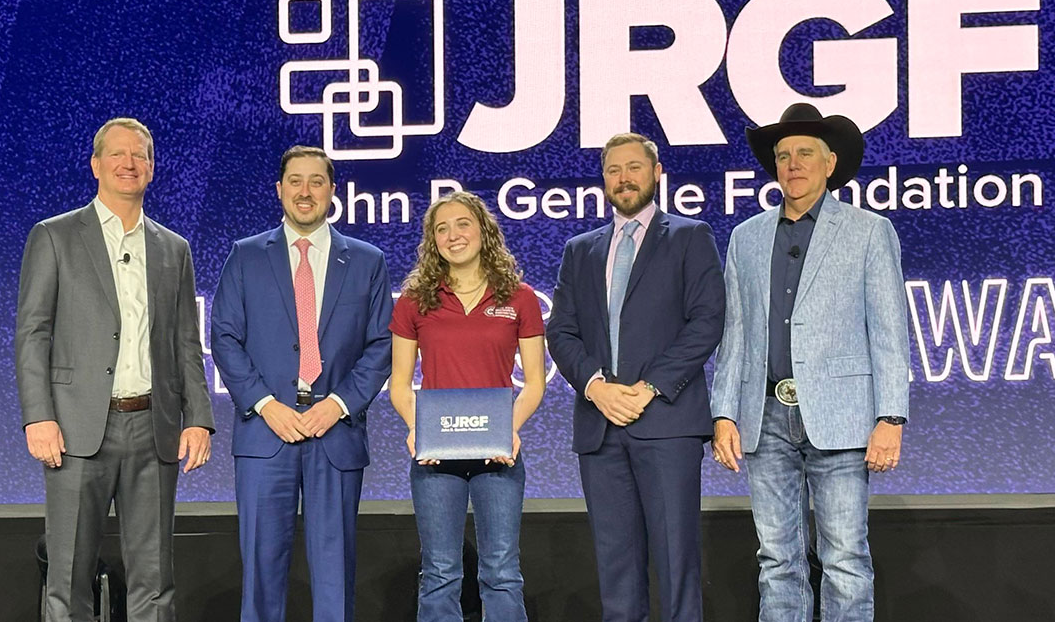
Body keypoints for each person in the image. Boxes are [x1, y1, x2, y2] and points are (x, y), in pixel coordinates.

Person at [710, 103, 909, 621]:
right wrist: (724, 411)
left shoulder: (869, 230)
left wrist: (890, 417)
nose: (792, 164)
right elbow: (737, 334)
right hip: (765, 416)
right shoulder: (746, 237)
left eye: (804, 153)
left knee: (844, 557)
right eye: (782, 156)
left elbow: (889, 330)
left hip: (842, 416)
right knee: (777, 559)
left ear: (829, 163)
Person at [15, 117, 215, 621]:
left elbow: (186, 343)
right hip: (78, 428)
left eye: (140, 155)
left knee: (155, 579)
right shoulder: (54, 236)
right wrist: (38, 415)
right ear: (96, 164)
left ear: (151, 168)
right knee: (69, 576)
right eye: (119, 154)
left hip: (154, 427)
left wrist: (198, 417)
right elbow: (33, 333)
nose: (130, 163)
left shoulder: (174, 248)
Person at [546, 133, 725, 621]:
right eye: (613, 170)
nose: (623, 179)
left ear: (657, 173)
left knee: (676, 560)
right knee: (616, 566)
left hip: (666, 422)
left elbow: (707, 321)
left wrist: (646, 389)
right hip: (600, 428)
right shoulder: (579, 250)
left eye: (634, 168)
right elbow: (560, 331)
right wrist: (597, 388)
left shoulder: (690, 236)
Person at [210, 145, 393, 622]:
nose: (305, 191)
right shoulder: (246, 256)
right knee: (262, 569)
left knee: (335, 570)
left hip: (334, 431)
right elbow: (225, 338)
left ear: (332, 191)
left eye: (316, 181)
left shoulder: (367, 261)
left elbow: (382, 345)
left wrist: (337, 404)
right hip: (266, 431)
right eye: (295, 180)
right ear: (279, 190)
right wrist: (266, 404)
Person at [389, 190, 546, 622]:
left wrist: (508, 429)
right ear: (432, 240)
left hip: (500, 454)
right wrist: (416, 427)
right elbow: (399, 384)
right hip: (436, 455)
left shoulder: (520, 298)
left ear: (483, 231)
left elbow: (534, 384)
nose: (452, 235)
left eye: (462, 224)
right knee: (439, 572)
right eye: (441, 228)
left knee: (501, 571)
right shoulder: (413, 300)